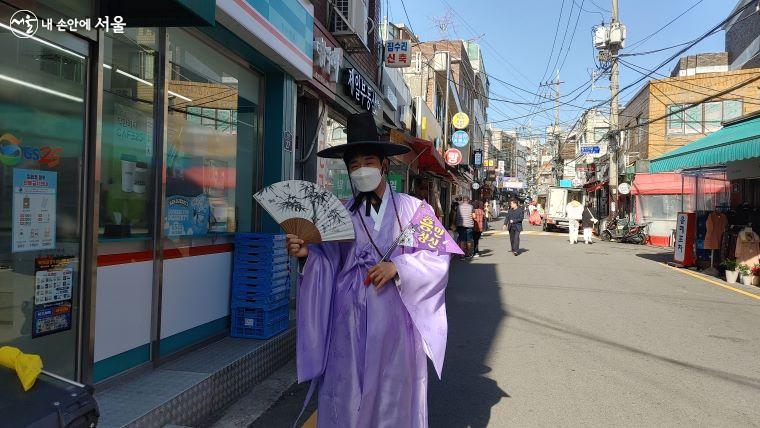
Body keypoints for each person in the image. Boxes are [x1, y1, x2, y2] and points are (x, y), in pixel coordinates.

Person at [286, 111, 450, 427]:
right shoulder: (338, 213)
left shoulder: (415, 210)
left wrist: (399, 266)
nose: (362, 170)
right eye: (354, 164)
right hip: (346, 320)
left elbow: (438, 257)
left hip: (394, 323)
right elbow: (328, 263)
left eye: (369, 161)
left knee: (391, 394)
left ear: (384, 164)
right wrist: (307, 255)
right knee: (345, 393)